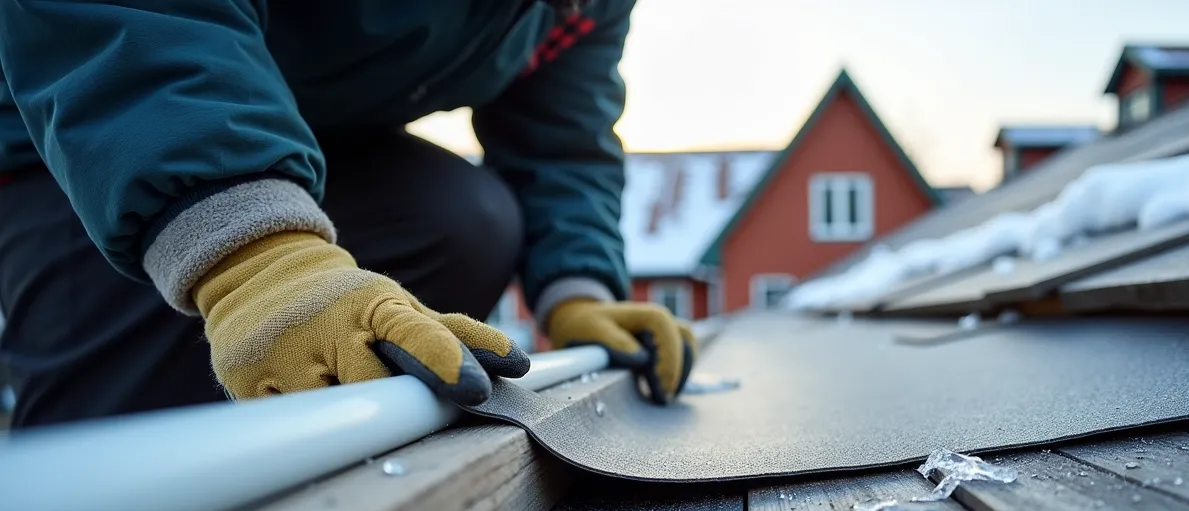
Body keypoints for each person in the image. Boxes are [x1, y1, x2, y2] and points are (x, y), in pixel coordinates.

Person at [0, 0, 695, 429]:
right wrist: (257, 263)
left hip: (310, 142)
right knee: (107, 442)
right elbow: (132, 19)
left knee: (466, 218)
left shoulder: (584, 4)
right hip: (77, 125)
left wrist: (578, 290)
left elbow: (562, 143)